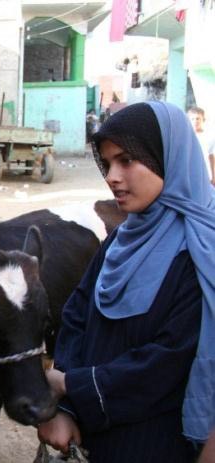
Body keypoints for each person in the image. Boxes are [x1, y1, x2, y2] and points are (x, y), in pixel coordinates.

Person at [37, 101, 215, 462]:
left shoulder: (202, 251)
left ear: (168, 157)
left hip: (156, 442)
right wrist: (67, 409)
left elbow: (168, 361)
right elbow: (76, 317)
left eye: (126, 160)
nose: (112, 176)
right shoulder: (121, 239)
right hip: (93, 434)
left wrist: (71, 385)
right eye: (108, 163)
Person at [188, 106, 215, 186]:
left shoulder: (209, 137)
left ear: (203, 119)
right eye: (192, 119)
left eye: (198, 118)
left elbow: (211, 156)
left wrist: (213, 175)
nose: (195, 121)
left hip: (205, 175)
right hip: (189, 174)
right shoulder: (185, 136)